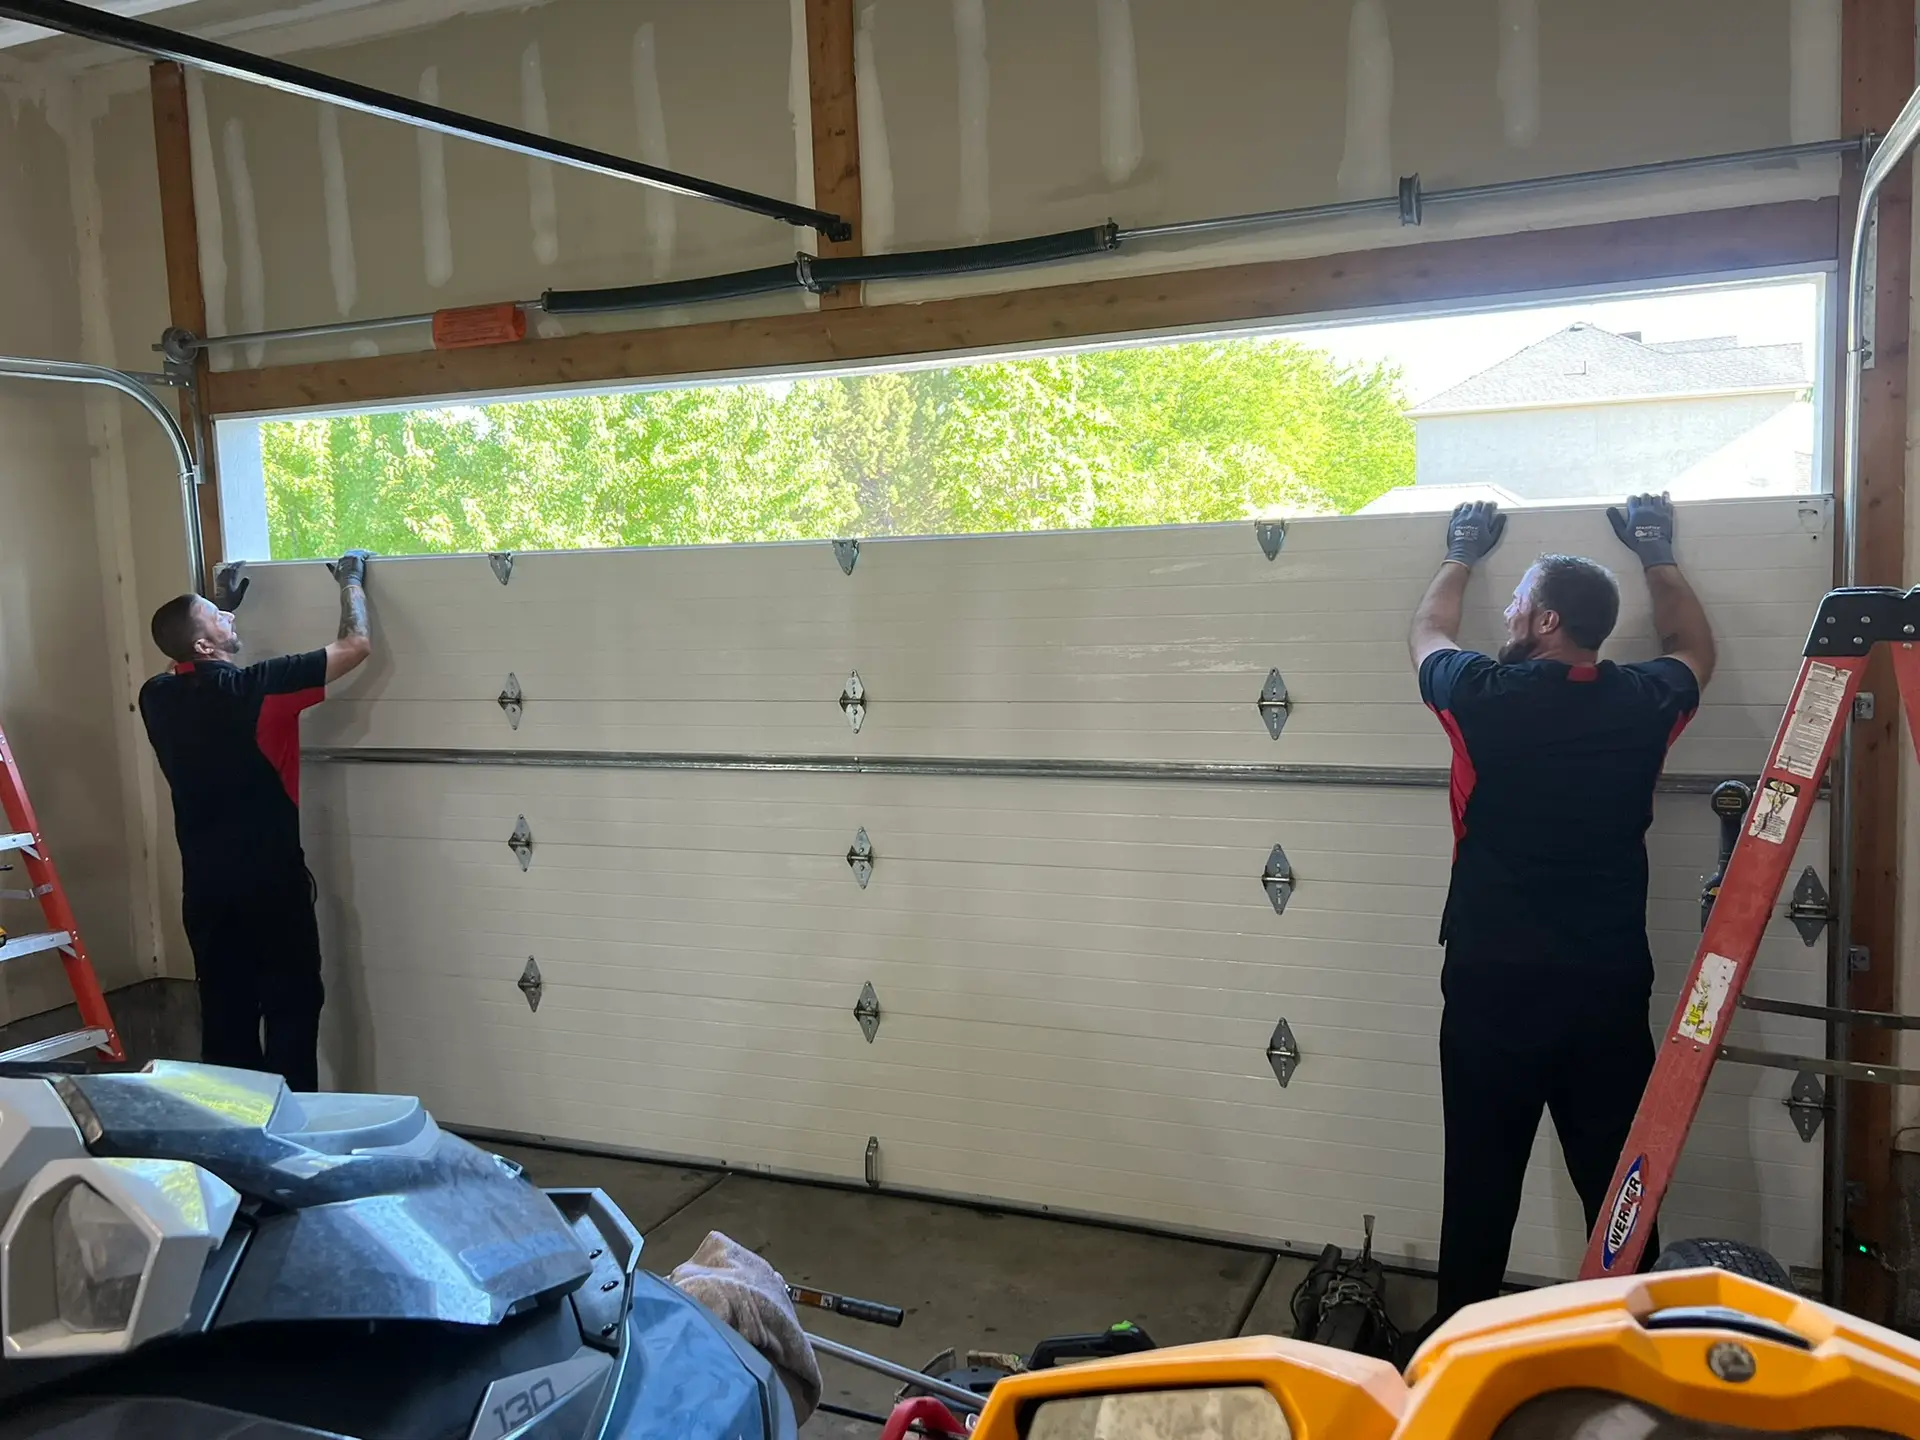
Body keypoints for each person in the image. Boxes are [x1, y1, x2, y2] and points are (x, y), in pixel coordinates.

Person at [1406, 493, 1716, 1327]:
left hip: (1493, 983)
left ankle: (1457, 1350)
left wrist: (1461, 550)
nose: (1507, 611)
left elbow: (1427, 632)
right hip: (1603, 984)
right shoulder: (1645, 702)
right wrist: (1655, 548)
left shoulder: (1479, 694)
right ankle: (1635, 1347)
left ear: (1545, 620)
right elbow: (1694, 649)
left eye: (1518, 600)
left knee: (1479, 1182)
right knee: (1620, 1192)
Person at [139, 552, 373, 1091]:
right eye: (218, 617)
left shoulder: (156, 697)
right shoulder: (261, 689)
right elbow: (355, 645)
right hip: (272, 887)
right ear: (204, 644)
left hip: (206, 892)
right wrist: (351, 582)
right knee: (292, 1006)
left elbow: (188, 667)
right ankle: (290, 1125)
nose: (229, 616)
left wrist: (219, 611)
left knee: (226, 1011)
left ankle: (234, 1129)